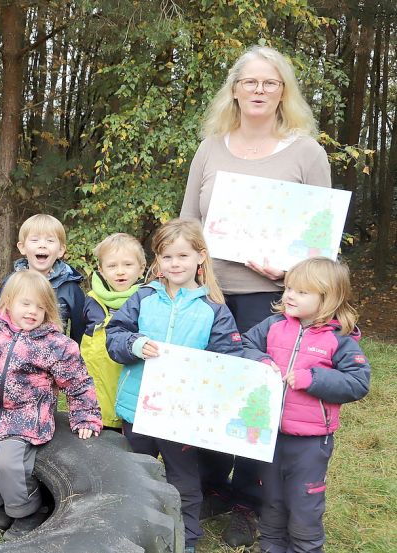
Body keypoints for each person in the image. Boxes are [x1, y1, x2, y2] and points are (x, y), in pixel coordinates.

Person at [180, 45, 332, 546]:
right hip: (211, 292)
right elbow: (188, 223)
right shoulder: (211, 146)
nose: (260, 91)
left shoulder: (306, 151)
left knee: (259, 396)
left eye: (271, 83)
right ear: (236, 89)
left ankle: (249, 495)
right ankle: (207, 486)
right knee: (209, 389)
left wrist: (290, 269)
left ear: (283, 91)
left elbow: (322, 242)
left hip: (272, 298)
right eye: (251, 82)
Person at [106, 218, 243, 553]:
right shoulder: (143, 298)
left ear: (200, 257)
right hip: (136, 408)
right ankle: (133, 534)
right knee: (135, 475)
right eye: (167, 257)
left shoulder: (214, 310)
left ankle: (186, 540)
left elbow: (227, 359)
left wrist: (202, 369)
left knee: (182, 478)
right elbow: (115, 337)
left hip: (181, 416)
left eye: (182, 256)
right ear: (158, 262)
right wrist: (135, 345)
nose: (175, 264)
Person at [242, 257, 370, 553]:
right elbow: (245, 344)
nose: (289, 296)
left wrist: (312, 378)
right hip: (269, 433)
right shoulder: (272, 326)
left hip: (311, 442)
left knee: (304, 504)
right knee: (271, 499)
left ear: (328, 299)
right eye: (288, 288)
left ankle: (305, 546)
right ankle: (271, 545)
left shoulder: (340, 340)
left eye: (301, 292)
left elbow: (358, 382)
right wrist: (261, 360)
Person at [0, 270, 102, 540]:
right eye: (25, 304)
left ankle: (28, 512)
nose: (32, 311)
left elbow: (78, 382)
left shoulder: (55, 346)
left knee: (8, 465)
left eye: (40, 307)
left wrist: (86, 416)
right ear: (8, 303)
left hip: (27, 418)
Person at [80, 232, 146, 431]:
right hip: (98, 385)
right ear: (101, 269)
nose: (120, 272)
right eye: (112, 266)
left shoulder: (147, 299)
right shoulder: (91, 299)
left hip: (131, 385)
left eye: (127, 265)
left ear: (141, 268)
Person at [0, 214, 87, 344]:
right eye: (35, 240)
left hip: (53, 358)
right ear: (22, 247)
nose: (42, 245)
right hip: (13, 356)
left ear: (60, 250)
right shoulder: (11, 283)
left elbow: (80, 334)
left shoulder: (71, 289)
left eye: (50, 240)